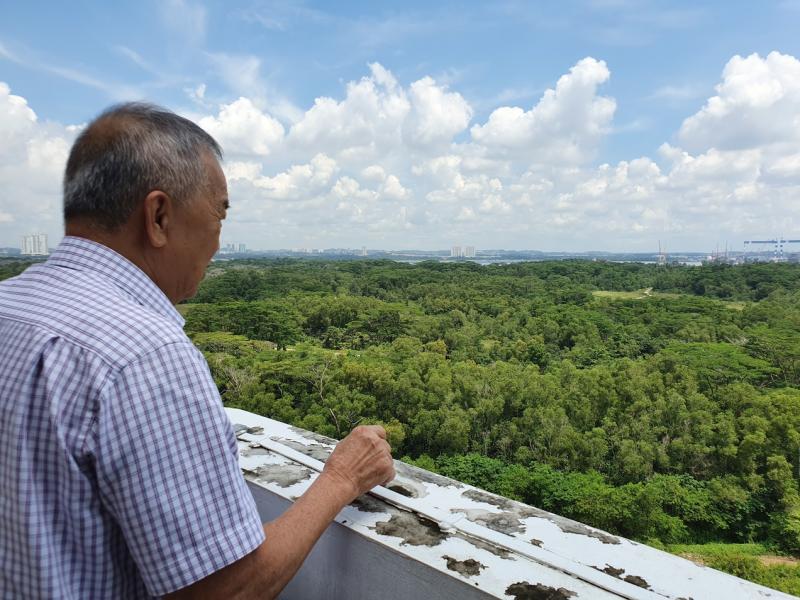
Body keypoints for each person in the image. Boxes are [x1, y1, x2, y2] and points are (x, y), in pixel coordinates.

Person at [0, 103, 396, 599]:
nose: (218, 242)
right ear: (159, 216)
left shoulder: (10, 304)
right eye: (219, 214)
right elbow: (227, 590)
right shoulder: (144, 353)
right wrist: (341, 478)